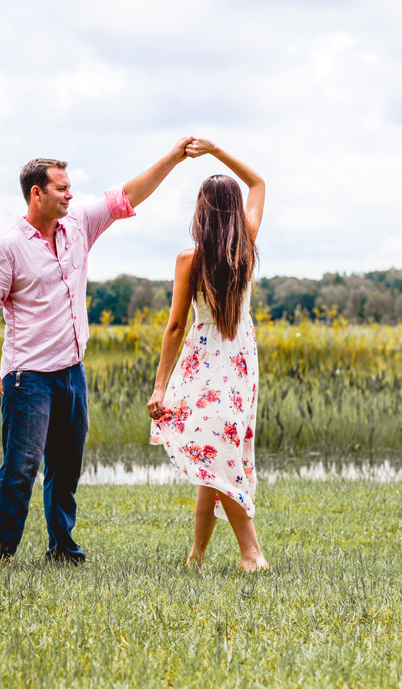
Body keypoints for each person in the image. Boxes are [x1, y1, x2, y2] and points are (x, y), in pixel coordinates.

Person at [0, 138, 198, 563]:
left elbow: (127, 196)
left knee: (66, 466)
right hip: (27, 377)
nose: (70, 195)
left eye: (70, 188)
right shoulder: (8, 246)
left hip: (72, 372)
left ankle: (62, 548)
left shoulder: (77, 226)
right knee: (21, 468)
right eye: (61, 188)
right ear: (36, 193)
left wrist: (174, 157)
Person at [146, 139, 267, 572]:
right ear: (234, 209)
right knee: (212, 456)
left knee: (218, 457)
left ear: (201, 210)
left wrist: (161, 386)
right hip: (239, 364)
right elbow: (257, 181)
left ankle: (252, 554)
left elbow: (176, 326)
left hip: (204, 364)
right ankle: (196, 557)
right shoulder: (246, 246)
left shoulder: (189, 258)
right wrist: (217, 151)